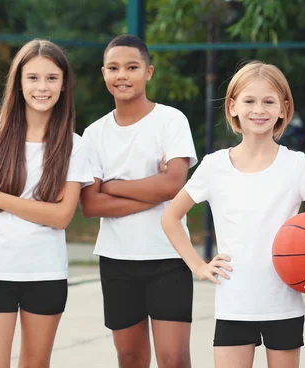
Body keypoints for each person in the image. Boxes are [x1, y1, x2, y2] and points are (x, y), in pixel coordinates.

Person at [161, 61, 305, 368]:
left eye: (269, 101)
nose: (259, 109)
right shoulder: (214, 166)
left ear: (284, 109)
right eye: (249, 101)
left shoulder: (297, 165)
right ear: (232, 107)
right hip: (234, 305)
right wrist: (198, 266)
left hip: (284, 305)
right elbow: (170, 217)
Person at [0, 39, 94, 368]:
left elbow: (62, 216)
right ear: (18, 84)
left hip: (46, 274)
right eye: (32, 78)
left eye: (51, 78)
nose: (42, 87)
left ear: (64, 86)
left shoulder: (74, 146)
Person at [79, 34, 197, 368]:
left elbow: (174, 183)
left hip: (168, 258)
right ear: (103, 73)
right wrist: (153, 191)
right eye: (114, 68)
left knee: (174, 359)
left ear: (148, 72)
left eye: (132, 67)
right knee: (130, 358)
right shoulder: (94, 134)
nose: (122, 75)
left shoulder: (171, 121)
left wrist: (112, 186)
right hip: (117, 261)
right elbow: (91, 205)